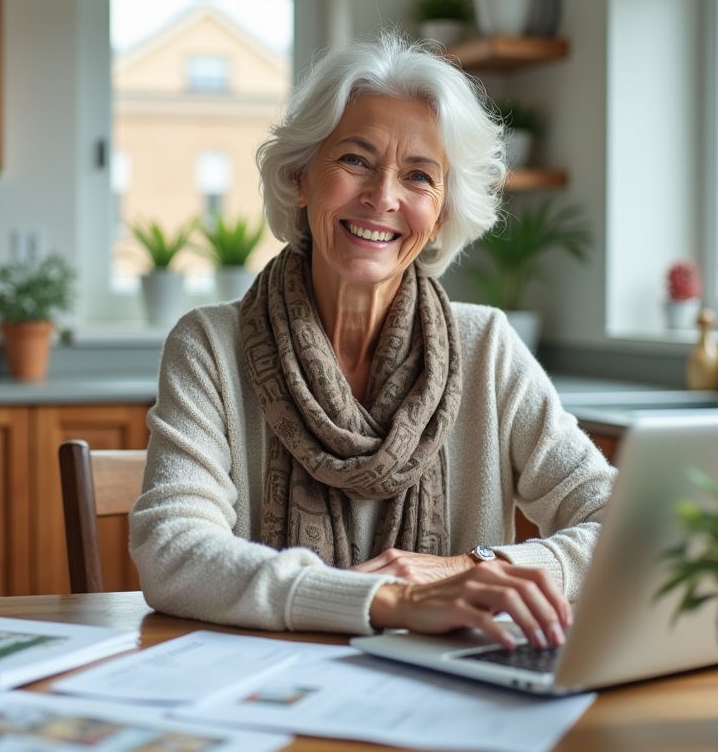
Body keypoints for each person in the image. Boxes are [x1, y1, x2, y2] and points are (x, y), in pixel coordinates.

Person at [129, 33, 614, 650]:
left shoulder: (488, 346)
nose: (383, 197)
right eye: (355, 160)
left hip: (449, 696)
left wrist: (473, 568)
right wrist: (388, 601)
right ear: (301, 177)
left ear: (439, 214)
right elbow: (173, 550)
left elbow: (623, 526)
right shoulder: (210, 346)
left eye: (418, 175)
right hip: (267, 693)